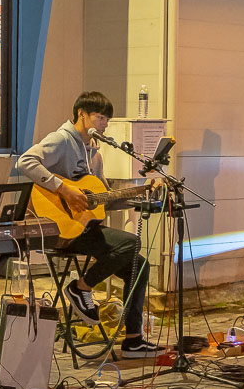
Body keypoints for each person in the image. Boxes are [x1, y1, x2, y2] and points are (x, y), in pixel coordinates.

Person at [18, 91, 160, 359]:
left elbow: (101, 199)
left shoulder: (95, 153)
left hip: (84, 228)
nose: (104, 123)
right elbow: (25, 162)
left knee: (139, 265)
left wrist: (138, 194)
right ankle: (81, 287)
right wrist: (64, 189)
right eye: (100, 117)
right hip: (59, 230)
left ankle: (133, 340)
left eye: (107, 118)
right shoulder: (61, 139)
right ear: (81, 114)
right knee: (132, 242)